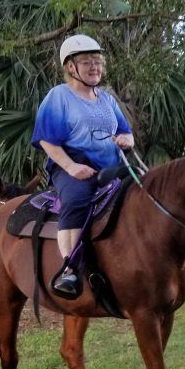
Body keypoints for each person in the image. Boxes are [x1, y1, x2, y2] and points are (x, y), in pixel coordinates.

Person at [31, 34, 134, 296]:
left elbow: (127, 133)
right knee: (76, 199)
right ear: (70, 67)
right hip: (73, 165)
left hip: (111, 166)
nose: (94, 67)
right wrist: (70, 167)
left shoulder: (107, 99)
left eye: (97, 62)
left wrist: (126, 140)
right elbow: (46, 140)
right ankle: (70, 269)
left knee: (147, 192)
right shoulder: (59, 96)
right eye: (87, 62)